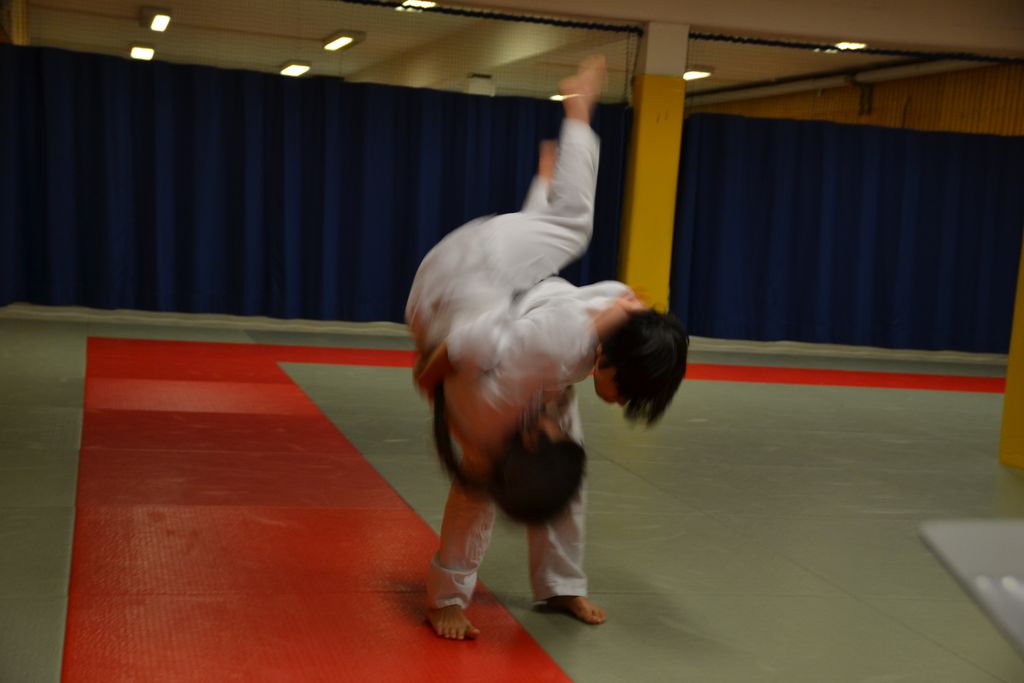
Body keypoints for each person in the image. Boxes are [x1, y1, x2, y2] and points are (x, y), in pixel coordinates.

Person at [405, 56, 689, 640]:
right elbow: (483, 338)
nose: (619, 405)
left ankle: (561, 584)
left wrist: (541, 188)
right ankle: (446, 597)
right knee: (574, 227)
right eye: (625, 392)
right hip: (456, 285)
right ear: (607, 359)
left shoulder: (591, 333)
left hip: (492, 292)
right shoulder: (543, 364)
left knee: (567, 467)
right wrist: (432, 371)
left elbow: (532, 294)